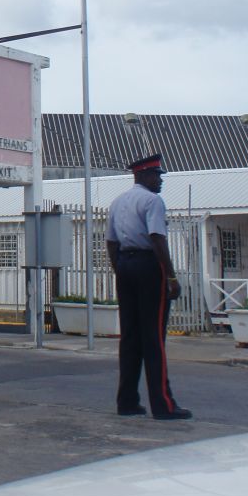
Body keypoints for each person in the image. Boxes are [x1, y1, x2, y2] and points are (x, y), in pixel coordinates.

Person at [106, 154, 190, 421]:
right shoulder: (153, 201)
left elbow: (110, 241)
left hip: (125, 264)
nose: (160, 180)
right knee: (154, 338)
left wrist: (119, 269)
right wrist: (171, 276)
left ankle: (127, 401)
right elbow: (157, 237)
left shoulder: (117, 202)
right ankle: (163, 404)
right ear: (143, 176)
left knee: (130, 337)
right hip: (147, 265)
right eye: (157, 175)